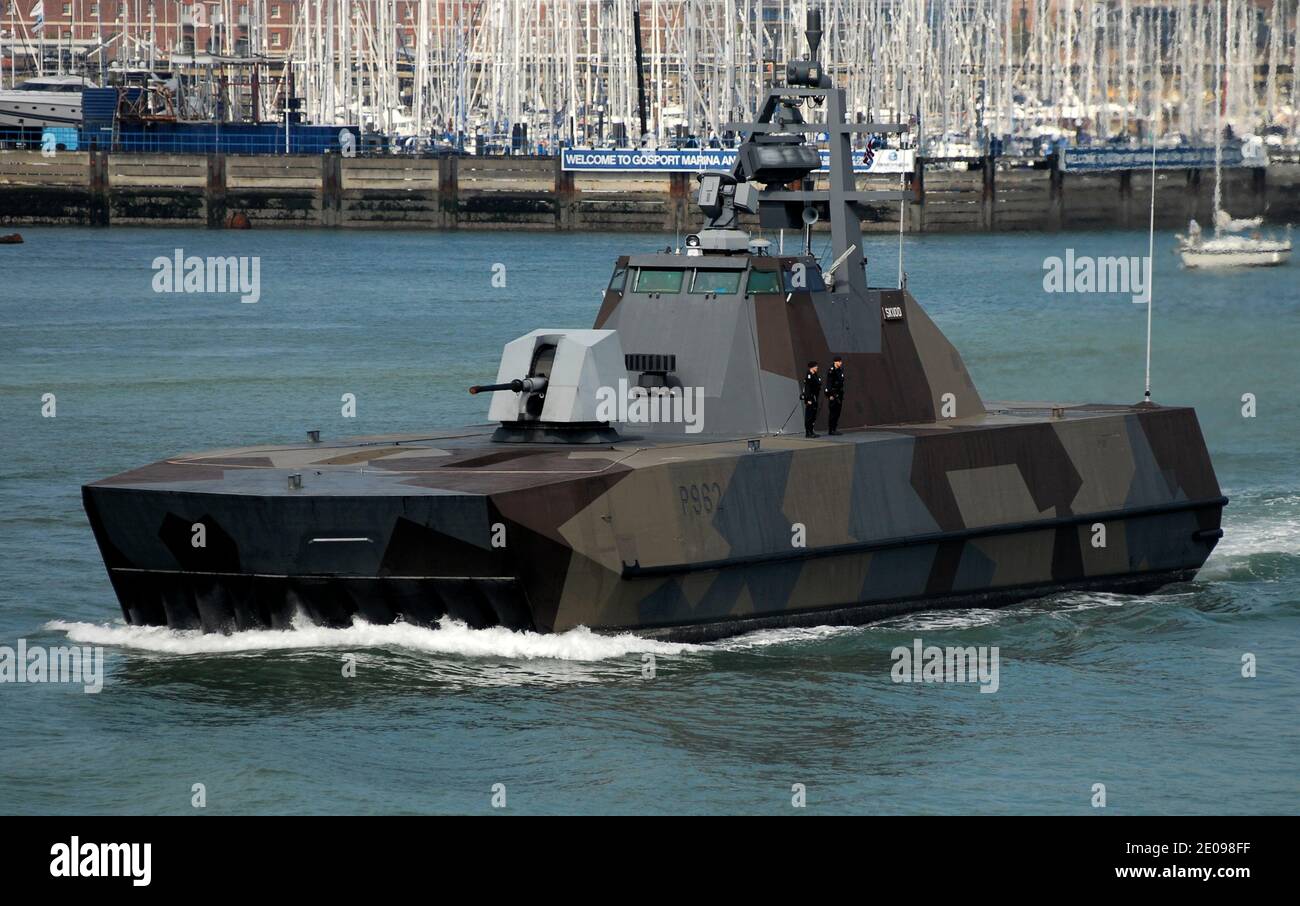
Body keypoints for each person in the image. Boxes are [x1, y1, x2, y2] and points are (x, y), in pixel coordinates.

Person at [801, 361, 821, 438]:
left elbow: (819, 383)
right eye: (816, 366)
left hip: (815, 398)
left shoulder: (815, 375)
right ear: (812, 367)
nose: (817, 367)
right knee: (809, 416)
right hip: (810, 398)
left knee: (813, 416)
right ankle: (808, 432)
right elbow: (807, 389)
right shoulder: (809, 376)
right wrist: (807, 399)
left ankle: (812, 431)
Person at [826, 356, 845, 435]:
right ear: (835, 362)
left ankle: (834, 428)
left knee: (838, 412)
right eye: (839, 361)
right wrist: (831, 395)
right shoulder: (831, 371)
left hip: (839, 393)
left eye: (841, 361)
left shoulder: (840, 370)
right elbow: (829, 384)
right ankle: (831, 430)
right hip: (833, 394)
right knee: (833, 412)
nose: (841, 363)